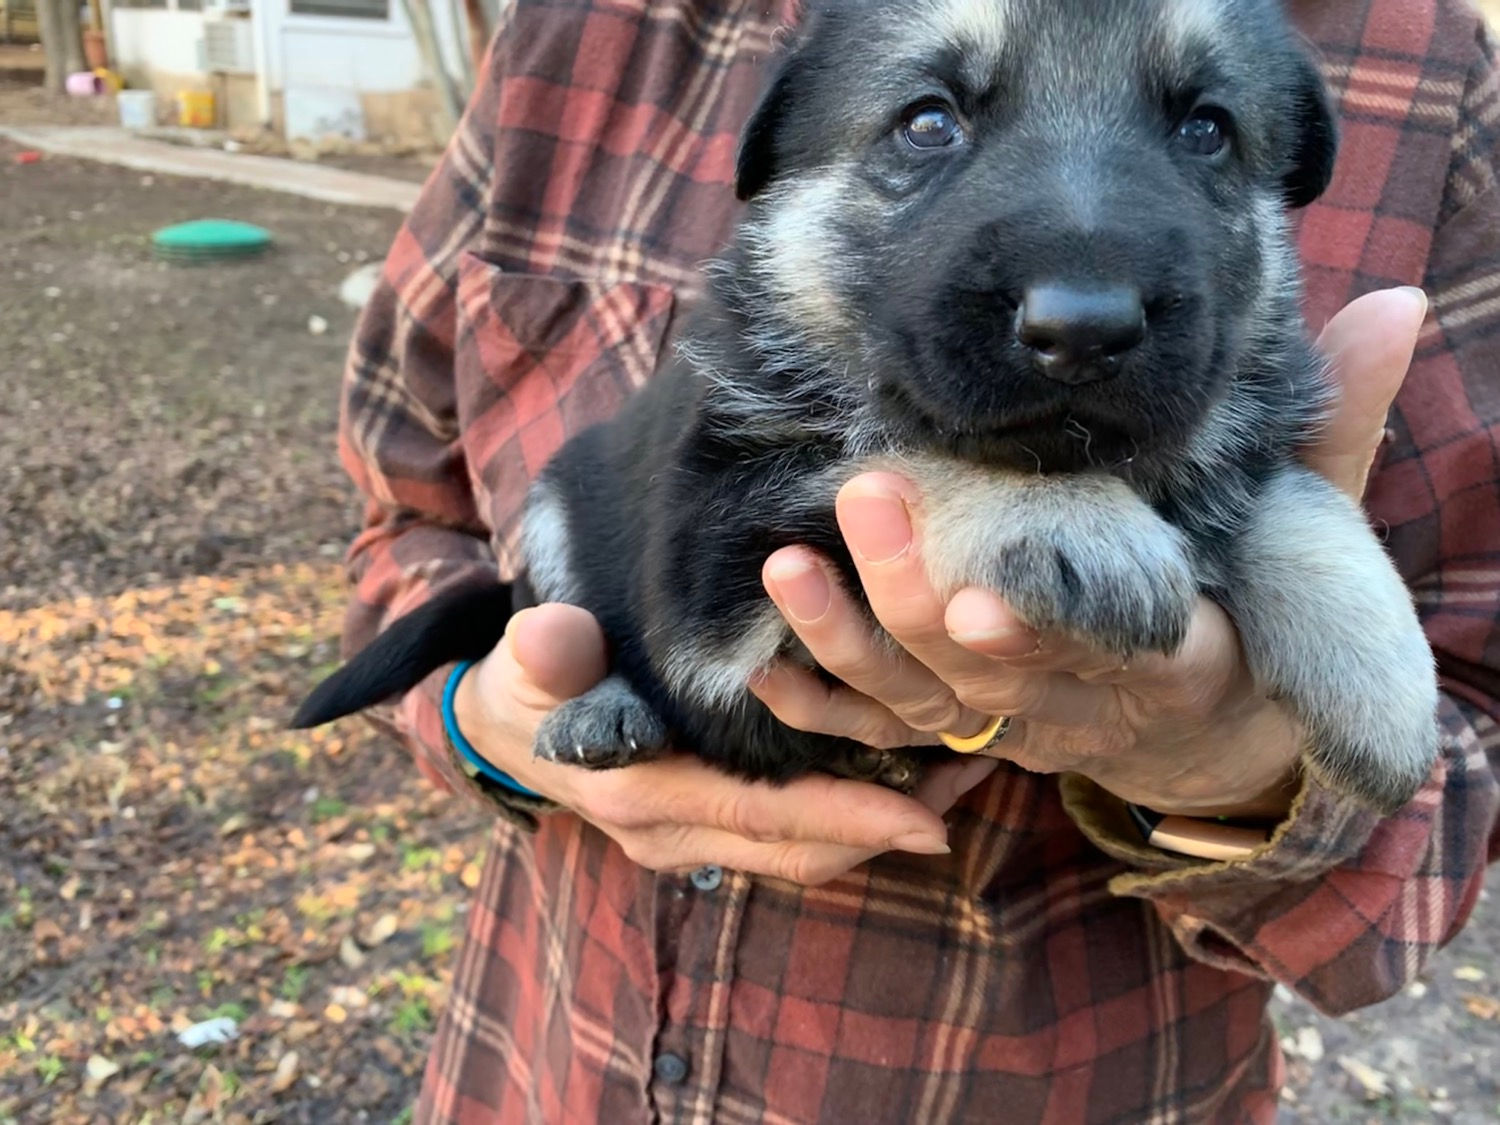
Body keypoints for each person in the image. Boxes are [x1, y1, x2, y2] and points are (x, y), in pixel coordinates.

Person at [333, 0, 1500, 1119]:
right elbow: (425, 519)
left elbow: (1451, 740)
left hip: (1045, 1086)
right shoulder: (582, 24)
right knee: (566, 505)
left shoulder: (1421, 59)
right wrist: (480, 724)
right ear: (780, 170)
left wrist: (1248, 767)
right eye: (930, 125)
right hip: (546, 1061)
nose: (1078, 298)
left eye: (1201, 131)